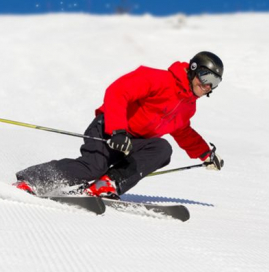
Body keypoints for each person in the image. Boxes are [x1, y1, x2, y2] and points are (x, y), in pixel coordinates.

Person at [14, 51, 224, 199]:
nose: (207, 86)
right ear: (194, 69)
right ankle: (31, 180)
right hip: (109, 130)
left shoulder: (188, 107)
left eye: (214, 83)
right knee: (91, 167)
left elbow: (182, 131)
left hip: (135, 143)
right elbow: (118, 91)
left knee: (162, 149)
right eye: (206, 77)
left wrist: (206, 153)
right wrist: (117, 130)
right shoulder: (158, 79)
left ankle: (107, 184)